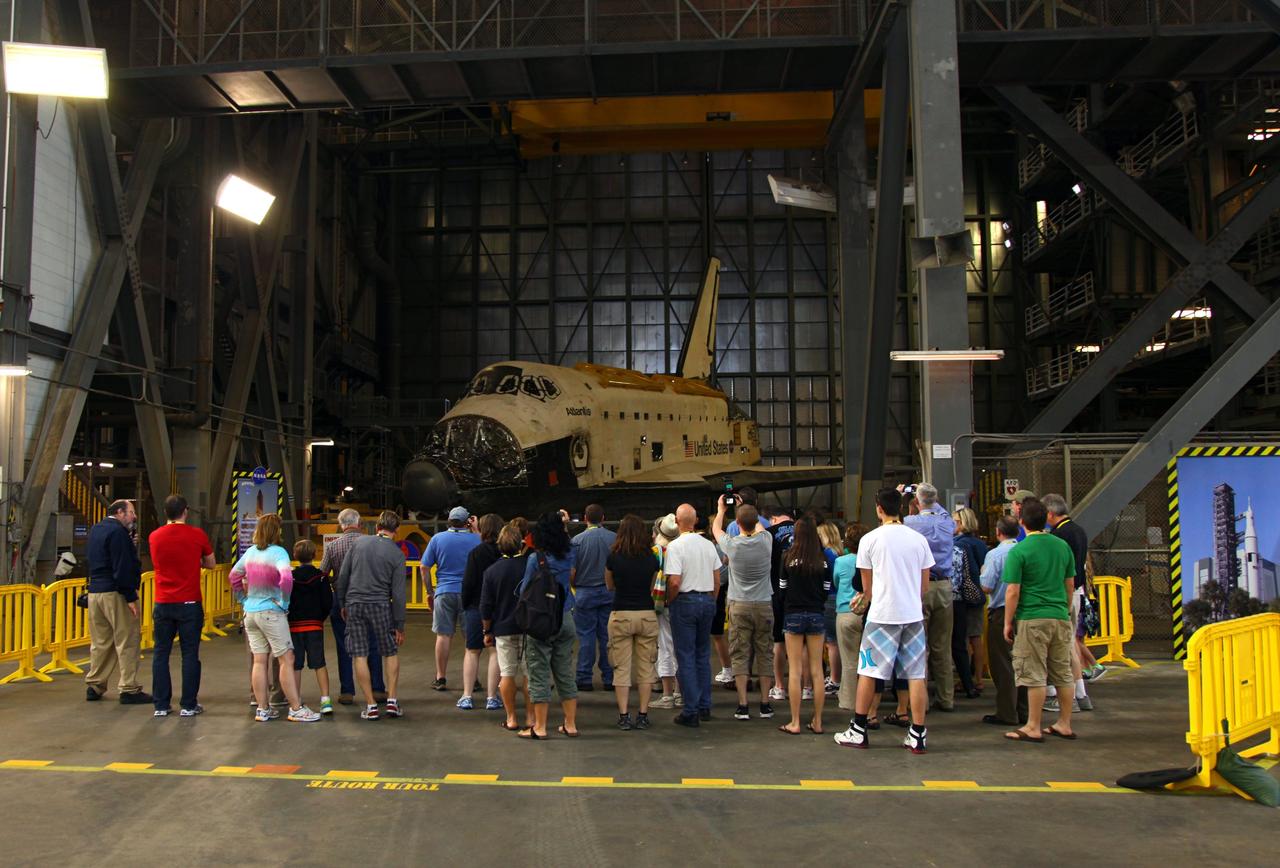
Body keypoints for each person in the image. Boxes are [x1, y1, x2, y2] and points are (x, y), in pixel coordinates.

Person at [834, 488, 934, 753]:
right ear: (901, 508)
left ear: (878, 508)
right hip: (912, 616)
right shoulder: (918, 540)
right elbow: (925, 587)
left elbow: (867, 589)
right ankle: (918, 734)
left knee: (868, 672)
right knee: (915, 675)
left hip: (881, 616)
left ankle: (858, 729)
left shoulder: (869, 540)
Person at [230, 513, 320, 723]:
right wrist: (284, 602)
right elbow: (287, 577)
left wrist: (242, 598)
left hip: (250, 612)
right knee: (286, 659)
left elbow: (234, 575)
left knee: (259, 660)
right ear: (276, 531)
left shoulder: (251, 552)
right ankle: (296, 708)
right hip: (271, 612)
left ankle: (262, 709)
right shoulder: (279, 553)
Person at [1002, 498, 1077, 743]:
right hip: (1059, 616)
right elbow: (1069, 585)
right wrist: (1063, 610)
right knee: (1062, 672)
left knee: (1033, 674)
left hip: (1032, 617)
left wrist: (1008, 622)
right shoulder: (1062, 546)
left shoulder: (1020, 551)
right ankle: (1064, 723)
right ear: (1046, 519)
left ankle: (1033, 726)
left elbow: (1013, 590)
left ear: (1021, 521)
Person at [335, 510, 408, 720]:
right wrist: (399, 625)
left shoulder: (359, 544)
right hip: (380, 605)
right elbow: (399, 594)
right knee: (390, 652)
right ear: (397, 530)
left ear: (377, 527)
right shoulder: (397, 554)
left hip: (355, 604)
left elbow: (343, 576)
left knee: (359, 654)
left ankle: (370, 705)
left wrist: (342, 602)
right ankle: (392, 701)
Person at [148, 494, 215, 717]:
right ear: (185, 511)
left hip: (163, 602)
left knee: (160, 653)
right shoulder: (197, 534)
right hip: (189, 602)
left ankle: (161, 704)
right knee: (189, 654)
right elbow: (211, 563)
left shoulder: (154, 536)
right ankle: (188, 704)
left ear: (165, 512)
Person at [516, 512, 579, 739]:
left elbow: (525, 591)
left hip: (542, 621)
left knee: (539, 673)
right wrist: (564, 522)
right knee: (564, 672)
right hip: (566, 618)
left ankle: (540, 727)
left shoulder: (536, 559)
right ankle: (570, 724)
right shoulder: (569, 554)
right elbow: (569, 542)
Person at [712, 497, 775, 720]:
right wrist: (745, 507)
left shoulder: (732, 545)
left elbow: (716, 528)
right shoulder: (767, 540)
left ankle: (743, 704)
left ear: (737, 523)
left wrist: (722, 509)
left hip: (739, 604)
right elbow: (756, 524)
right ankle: (765, 703)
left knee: (739, 653)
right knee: (765, 652)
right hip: (764, 603)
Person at [84, 499, 151, 705]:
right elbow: (122, 566)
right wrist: (130, 595)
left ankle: (95, 684)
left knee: (101, 642)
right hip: (116, 593)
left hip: (95, 593)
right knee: (127, 640)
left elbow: (101, 557)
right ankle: (129, 688)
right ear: (120, 513)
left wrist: (128, 545)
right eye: (131, 512)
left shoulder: (97, 529)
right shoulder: (118, 533)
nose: (134, 517)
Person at [664, 503, 722, 727]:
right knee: (702, 655)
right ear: (696, 520)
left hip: (685, 601)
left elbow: (675, 580)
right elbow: (717, 580)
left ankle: (691, 710)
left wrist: (671, 599)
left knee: (685, 656)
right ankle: (705, 705)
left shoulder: (676, 546)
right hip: (706, 599)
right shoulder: (708, 545)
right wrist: (711, 601)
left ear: (677, 522)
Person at [320, 508, 384, 705]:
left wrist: (334, 582)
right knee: (372, 642)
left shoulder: (332, 547)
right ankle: (378, 688)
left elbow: (323, 573)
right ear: (360, 523)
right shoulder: (373, 544)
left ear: (341, 525)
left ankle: (347, 691)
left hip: (342, 600)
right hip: (369, 597)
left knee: (344, 646)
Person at [903, 482, 958, 711]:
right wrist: (927, 494)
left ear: (916, 502)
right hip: (945, 587)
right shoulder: (947, 522)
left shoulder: (911, 523)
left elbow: (892, 522)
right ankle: (946, 698)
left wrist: (901, 495)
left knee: (919, 647)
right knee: (942, 647)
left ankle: (921, 701)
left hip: (921, 586)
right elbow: (941, 510)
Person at [604, 514, 661, 730]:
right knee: (646, 668)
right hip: (646, 613)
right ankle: (643, 715)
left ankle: (624, 715)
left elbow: (609, 585)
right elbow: (651, 587)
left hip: (621, 613)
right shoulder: (651, 558)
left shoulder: (613, 556)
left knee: (621, 667)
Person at [777, 517, 832, 735]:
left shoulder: (787, 557)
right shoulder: (824, 560)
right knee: (817, 670)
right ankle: (817, 721)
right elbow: (827, 589)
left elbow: (782, 589)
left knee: (795, 670)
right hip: (817, 614)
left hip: (793, 614)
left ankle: (795, 721)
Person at [1043, 493, 1095, 712]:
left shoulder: (1060, 535)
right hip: (1076, 593)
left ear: (1050, 513)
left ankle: (1069, 698)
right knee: (1070, 643)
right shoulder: (1078, 530)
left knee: (1063, 647)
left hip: (1064, 594)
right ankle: (1080, 694)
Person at [422, 506, 482, 692]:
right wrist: (477, 529)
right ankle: (473, 679)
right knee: (469, 638)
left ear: (449, 520)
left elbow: (424, 567)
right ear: (467, 522)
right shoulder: (475, 539)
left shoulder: (437, 539)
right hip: (469, 593)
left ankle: (440, 677)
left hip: (444, 591)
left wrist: (430, 591)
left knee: (443, 635)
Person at [481, 522, 532, 732]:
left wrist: (487, 630)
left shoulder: (492, 571)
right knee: (530, 674)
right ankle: (531, 717)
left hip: (503, 629)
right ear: (521, 543)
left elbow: (486, 605)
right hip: (529, 627)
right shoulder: (531, 565)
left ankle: (511, 718)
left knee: (507, 674)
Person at [980, 516, 1027, 727]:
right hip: (1025, 612)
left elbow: (988, 585)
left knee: (1002, 664)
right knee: (1023, 663)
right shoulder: (1025, 550)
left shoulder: (995, 554)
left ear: (998, 532)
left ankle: (1007, 712)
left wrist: (982, 574)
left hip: (1001, 611)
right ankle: (1024, 710)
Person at [570, 503, 617, 691]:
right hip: (609, 592)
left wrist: (575, 586)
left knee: (586, 636)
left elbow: (571, 572)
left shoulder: (576, 541)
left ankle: (584, 677)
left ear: (585, 519)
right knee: (607, 636)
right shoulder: (613, 539)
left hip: (584, 592)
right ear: (603, 518)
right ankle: (609, 677)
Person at [460, 513, 503, 711]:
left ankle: (467, 695)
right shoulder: (506, 552)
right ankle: (492, 697)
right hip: (500, 609)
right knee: (495, 652)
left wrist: (466, 604)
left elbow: (468, 583)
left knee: (472, 651)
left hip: (476, 607)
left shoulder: (476, 553)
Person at [289, 539, 333, 715]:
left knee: (296, 665)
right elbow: (328, 602)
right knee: (319, 663)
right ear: (315, 555)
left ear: (295, 556)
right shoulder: (321, 577)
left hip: (294, 626)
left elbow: (286, 600)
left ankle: (296, 698)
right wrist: (320, 618)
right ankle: (325, 700)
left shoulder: (290, 577)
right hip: (314, 625)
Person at [833, 523, 870, 715]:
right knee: (868, 661)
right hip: (868, 612)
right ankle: (869, 701)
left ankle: (848, 700)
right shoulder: (871, 559)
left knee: (848, 660)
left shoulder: (841, 561)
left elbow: (836, 582)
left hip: (846, 611)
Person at [950, 507, 986, 700]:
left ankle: (967, 680)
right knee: (976, 637)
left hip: (963, 597)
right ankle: (978, 678)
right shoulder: (980, 544)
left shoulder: (959, 545)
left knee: (961, 639)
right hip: (978, 594)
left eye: (955, 521)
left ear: (963, 523)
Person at [649, 514, 682, 709]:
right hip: (681, 601)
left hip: (660, 603)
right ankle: (680, 692)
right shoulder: (682, 548)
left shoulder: (655, 552)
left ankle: (668, 694)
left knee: (665, 646)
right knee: (681, 647)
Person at [766, 509, 797, 702]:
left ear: (774, 518)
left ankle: (779, 685)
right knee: (802, 643)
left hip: (778, 592)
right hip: (804, 595)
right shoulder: (805, 532)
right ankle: (807, 686)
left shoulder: (769, 533)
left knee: (779, 641)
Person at [817, 520, 843, 697]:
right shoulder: (841, 553)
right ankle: (837, 677)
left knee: (831, 642)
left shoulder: (826, 555)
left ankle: (835, 679)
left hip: (829, 599)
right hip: (839, 599)